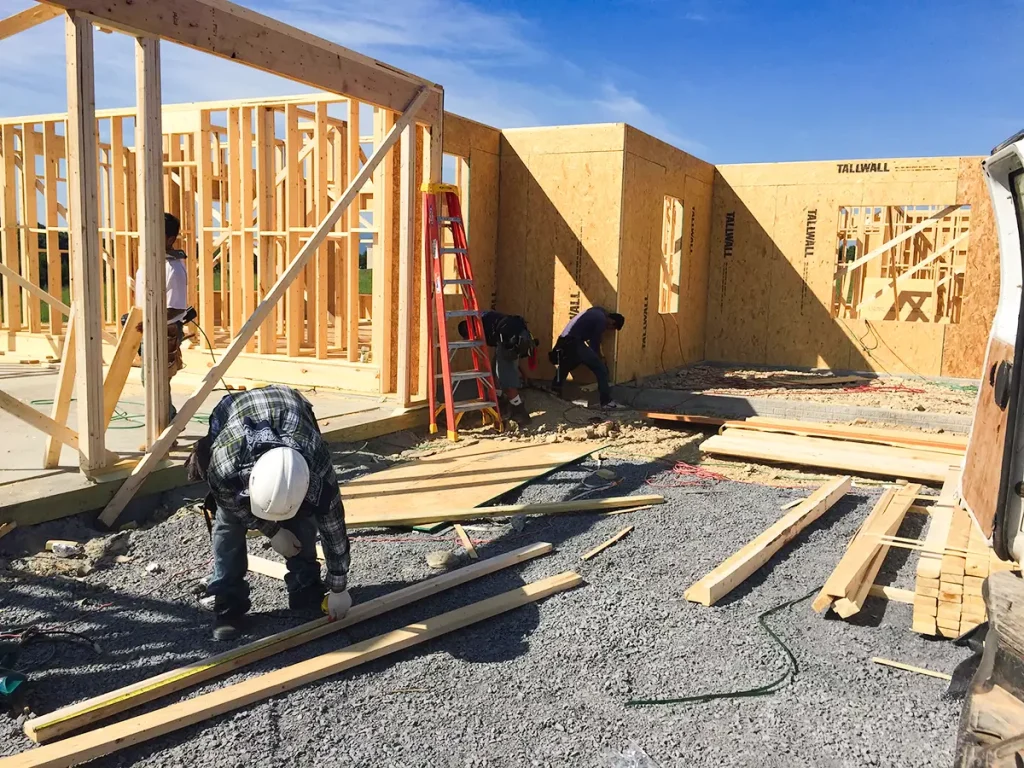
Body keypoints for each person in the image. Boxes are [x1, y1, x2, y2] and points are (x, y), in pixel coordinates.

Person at [185, 385, 352, 641]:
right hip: (234, 411)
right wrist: (272, 530)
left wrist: (339, 587)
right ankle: (228, 604)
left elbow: (333, 524)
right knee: (228, 525)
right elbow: (227, 499)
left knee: (304, 519)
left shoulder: (315, 465)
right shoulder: (226, 463)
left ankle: (305, 587)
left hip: (293, 408)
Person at [133, 212, 189, 420]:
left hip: (166, 331)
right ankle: (168, 421)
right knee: (149, 380)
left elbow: (175, 308)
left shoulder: (173, 269)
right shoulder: (149, 264)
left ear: (170, 239)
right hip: (149, 328)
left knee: (157, 381)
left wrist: (148, 322)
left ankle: (166, 426)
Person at [457, 311, 537, 425]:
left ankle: (519, 412)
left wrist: (521, 373)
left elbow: (508, 358)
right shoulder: (483, 318)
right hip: (517, 338)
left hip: (511, 341)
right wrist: (524, 373)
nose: (474, 338)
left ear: (470, 331)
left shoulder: (483, 328)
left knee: (507, 383)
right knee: (496, 371)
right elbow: (511, 359)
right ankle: (500, 401)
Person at [549, 306, 626, 410]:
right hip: (574, 342)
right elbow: (594, 344)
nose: (608, 329)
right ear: (612, 322)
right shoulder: (601, 321)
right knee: (601, 369)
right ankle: (606, 401)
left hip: (564, 341)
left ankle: (555, 389)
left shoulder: (598, 312)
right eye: (611, 328)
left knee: (568, 364)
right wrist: (600, 359)